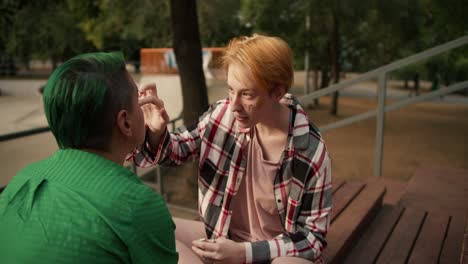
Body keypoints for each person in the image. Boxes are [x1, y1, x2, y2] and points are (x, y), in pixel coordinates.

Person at [134, 34, 332, 263]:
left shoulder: (311, 152)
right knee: (154, 226)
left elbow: (312, 239)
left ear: (277, 92)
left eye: (247, 94)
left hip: (273, 255)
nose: (234, 105)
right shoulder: (221, 115)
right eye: (230, 90)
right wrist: (158, 133)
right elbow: (176, 150)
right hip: (224, 239)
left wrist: (244, 253)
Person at [0, 52, 178, 263]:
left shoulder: (22, 181)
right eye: (136, 97)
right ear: (125, 123)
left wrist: (155, 135)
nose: (143, 102)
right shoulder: (138, 206)